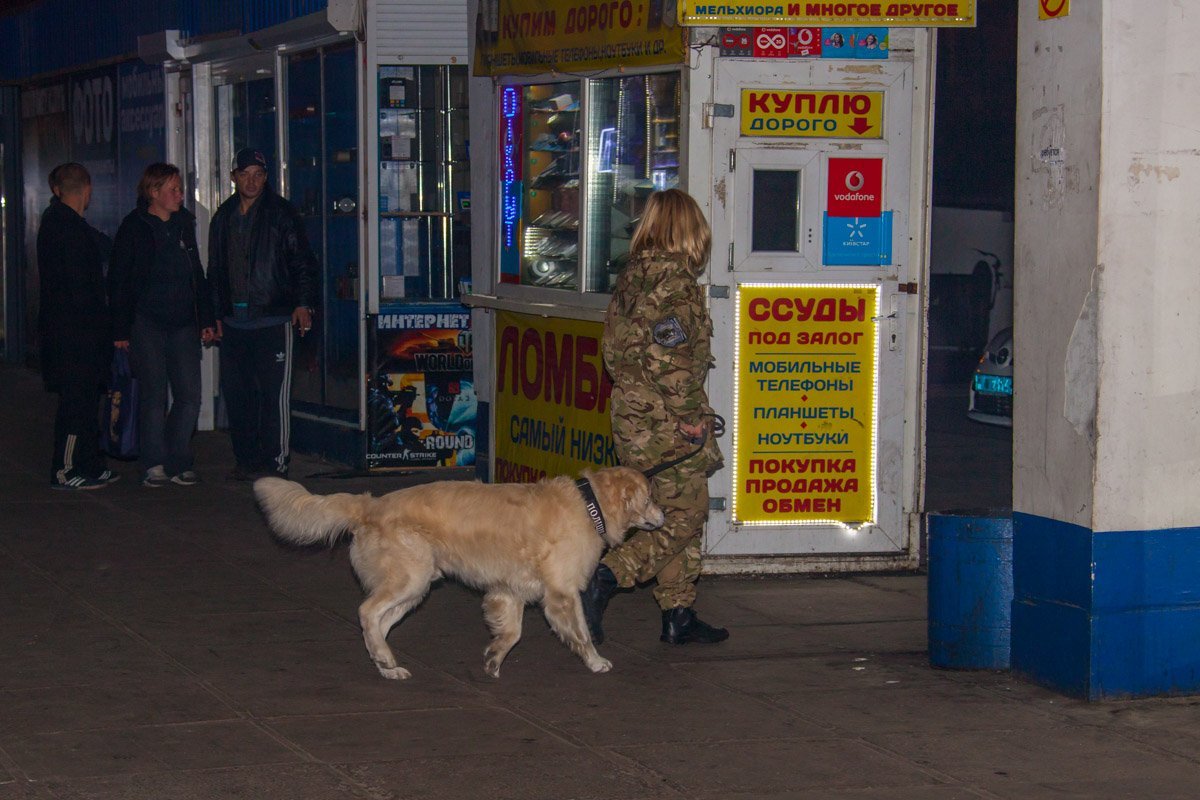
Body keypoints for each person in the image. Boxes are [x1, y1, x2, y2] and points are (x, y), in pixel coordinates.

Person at [582, 189, 728, 646]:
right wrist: (690, 417)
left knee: (665, 506)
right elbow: (670, 361)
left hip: (632, 417)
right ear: (690, 231)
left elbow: (616, 352)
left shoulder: (632, 279)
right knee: (686, 513)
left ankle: (678, 613)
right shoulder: (675, 285)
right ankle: (606, 576)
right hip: (665, 421)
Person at [207, 148, 319, 480]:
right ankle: (246, 460)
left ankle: (276, 462)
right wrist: (214, 314)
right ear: (233, 178)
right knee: (238, 395)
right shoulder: (223, 216)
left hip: (273, 318)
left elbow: (303, 263)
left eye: (258, 174)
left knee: (274, 396)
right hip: (233, 322)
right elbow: (215, 270)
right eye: (245, 174)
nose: (251, 181)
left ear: (266, 177)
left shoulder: (282, 214)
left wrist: (302, 304)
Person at [108, 163, 216, 487]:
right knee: (153, 395)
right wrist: (120, 330)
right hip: (147, 322)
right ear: (154, 192)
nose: (179, 194)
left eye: (180, 188)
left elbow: (197, 274)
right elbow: (120, 280)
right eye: (172, 189)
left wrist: (206, 319)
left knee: (189, 395)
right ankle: (153, 462)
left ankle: (178, 458)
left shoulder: (184, 225)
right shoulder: (135, 227)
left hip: (183, 322)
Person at [37, 163, 118, 490]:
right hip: (75, 335)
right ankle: (65, 467)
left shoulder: (58, 223)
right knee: (76, 404)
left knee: (84, 403)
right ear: (86, 191)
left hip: (70, 333)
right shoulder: (69, 229)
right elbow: (81, 286)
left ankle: (88, 463)